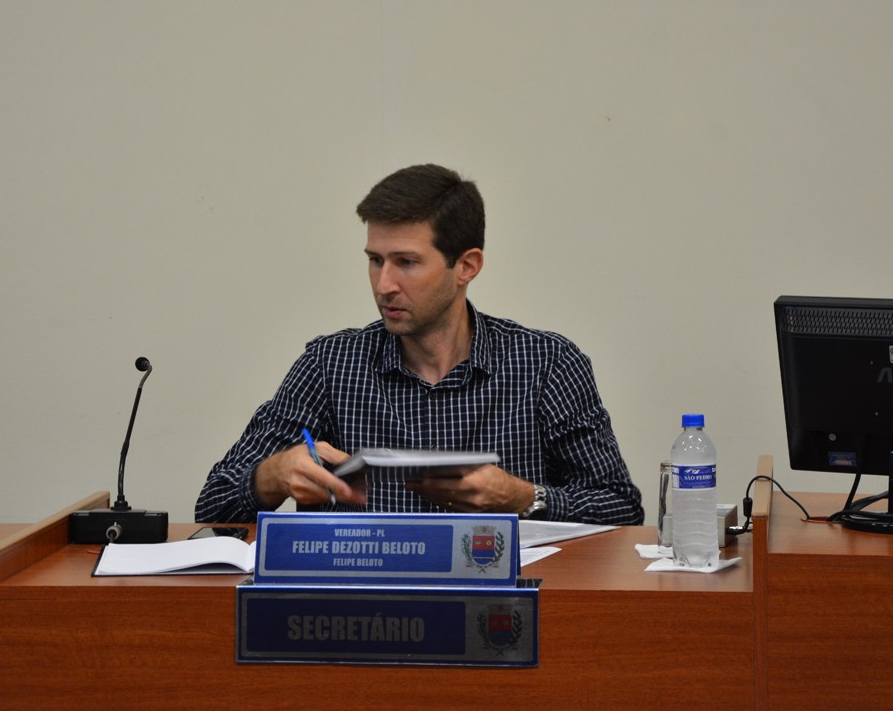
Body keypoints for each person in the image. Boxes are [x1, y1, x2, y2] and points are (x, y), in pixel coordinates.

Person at [196, 163, 643, 525]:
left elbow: (621, 508)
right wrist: (270, 477)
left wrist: (525, 498)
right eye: (375, 260)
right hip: (361, 601)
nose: (384, 284)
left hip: (497, 599)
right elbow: (213, 505)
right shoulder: (330, 364)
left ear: (466, 266)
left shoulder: (545, 363)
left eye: (406, 262)